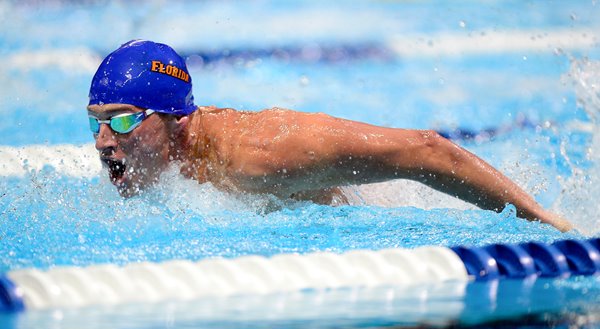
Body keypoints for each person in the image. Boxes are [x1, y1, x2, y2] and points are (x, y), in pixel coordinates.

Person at [87, 40, 573, 232]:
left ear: (179, 120)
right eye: (96, 121)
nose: (105, 141)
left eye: (124, 120)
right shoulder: (161, 167)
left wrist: (548, 226)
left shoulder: (261, 153)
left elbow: (426, 149)